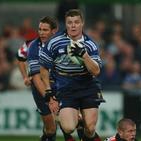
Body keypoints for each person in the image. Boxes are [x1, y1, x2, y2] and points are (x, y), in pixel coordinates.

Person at [39, 9, 105, 141]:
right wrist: (48, 89)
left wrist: (84, 55)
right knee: (69, 128)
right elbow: (43, 67)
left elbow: (96, 71)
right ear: (66, 24)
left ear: (82, 24)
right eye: (70, 22)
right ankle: (78, 122)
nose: (73, 25)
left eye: (76, 22)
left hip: (87, 86)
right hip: (65, 87)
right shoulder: (54, 42)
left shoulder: (90, 44)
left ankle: (85, 128)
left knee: (90, 129)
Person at [17, 16, 58, 141]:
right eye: (40, 29)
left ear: (54, 31)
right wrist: (25, 77)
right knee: (51, 129)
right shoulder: (31, 45)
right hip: (40, 86)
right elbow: (20, 58)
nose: (41, 32)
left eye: (45, 30)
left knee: (71, 124)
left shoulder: (61, 43)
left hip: (60, 86)